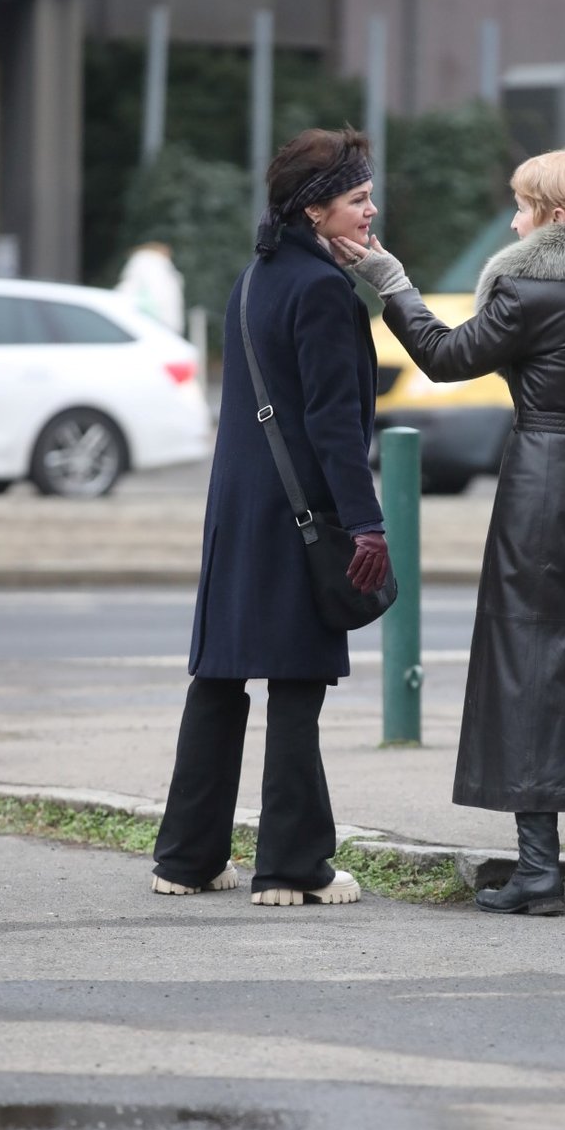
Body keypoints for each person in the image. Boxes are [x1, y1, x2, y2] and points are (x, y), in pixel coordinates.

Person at [334, 149, 565, 916]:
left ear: (557, 218)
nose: (513, 220)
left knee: (529, 660)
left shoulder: (531, 292)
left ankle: (538, 870)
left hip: (545, 491)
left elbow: (442, 358)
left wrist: (392, 283)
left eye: (523, 207)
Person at [151, 127, 390, 907]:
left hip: (239, 512)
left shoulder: (255, 278)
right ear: (316, 210)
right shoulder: (322, 291)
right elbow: (333, 423)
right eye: (358, 199)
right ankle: (291, 867)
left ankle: (185, 859)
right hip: (303, 515)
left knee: (219, 680)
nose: (370, 209)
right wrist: (368, 526)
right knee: (297, 684)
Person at [115, 241, 185, 333]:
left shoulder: (143, 261)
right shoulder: (150, 262)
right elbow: (160, 294)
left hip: (144, 320)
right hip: (153, 320)